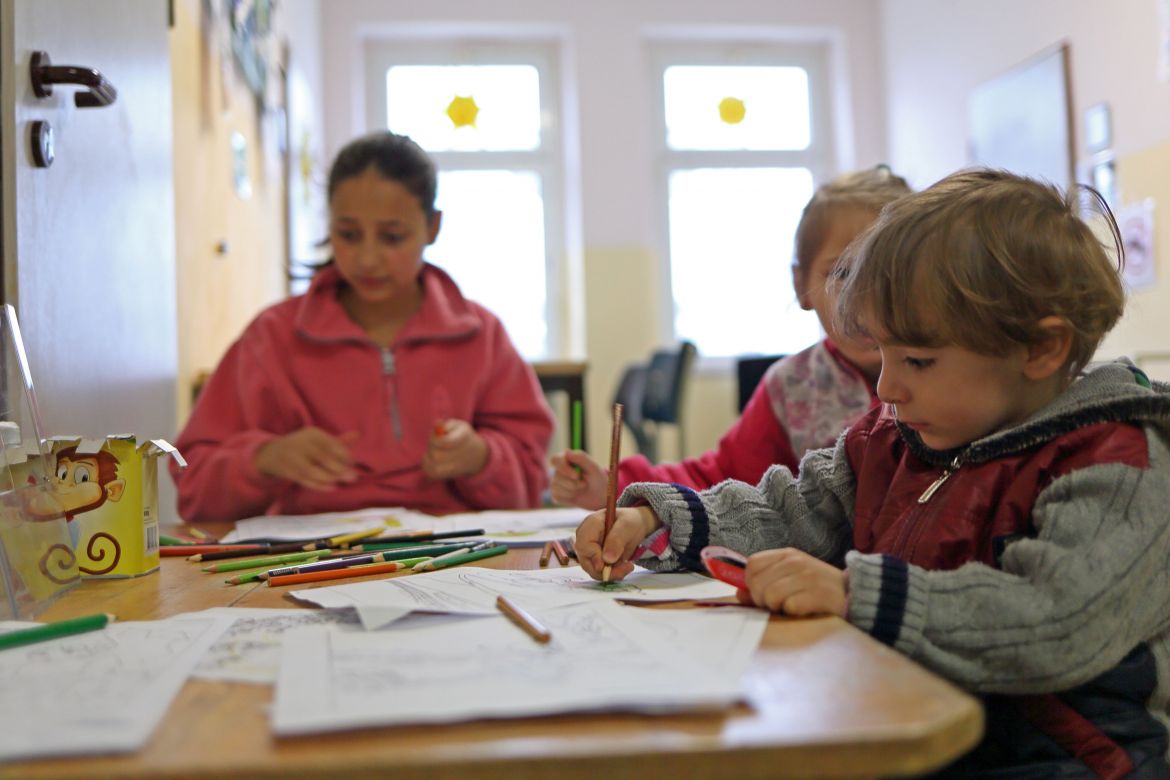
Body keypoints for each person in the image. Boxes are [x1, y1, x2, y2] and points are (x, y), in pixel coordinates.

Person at [577, 169, 1170, 776]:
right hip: (907, 726)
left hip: (1068, 761)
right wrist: (655, 517)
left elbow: (1054, 618)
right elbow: (793, 509)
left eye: (917, 359)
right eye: (883, 353)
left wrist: (851, 592)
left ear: (1041, 349)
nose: (886, 386)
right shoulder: (894, 438)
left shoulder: (1116, 463)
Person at [172, 132, 554, 522]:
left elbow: (533, 479)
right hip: (312, 561)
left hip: (453, 558)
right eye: (349, 234)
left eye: (392, 236)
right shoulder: (273, 337)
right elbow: (192, 486)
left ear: (432, 227)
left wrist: (482, 457)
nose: (368, 258)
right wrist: (264, 459)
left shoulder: (480, 335)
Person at [549, 166, 911, 509]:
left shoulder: (952, 374)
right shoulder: (793, 386)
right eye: (843, 273)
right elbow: (720, 478)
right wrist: (614, 485)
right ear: (801, 285)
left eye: (891, 272)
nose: (868, 297)